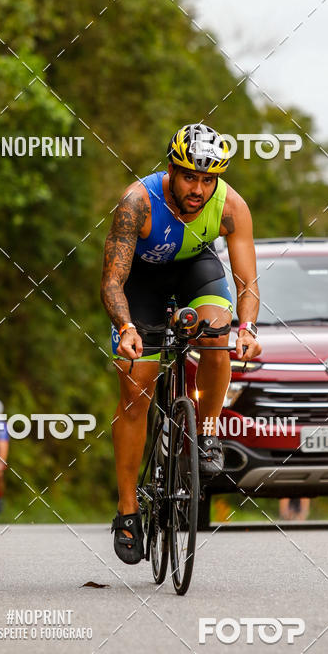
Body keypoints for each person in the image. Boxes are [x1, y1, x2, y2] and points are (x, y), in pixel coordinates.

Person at [100, 123, 262, 563]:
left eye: (208, 179)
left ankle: (207, 431)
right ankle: (128, 509)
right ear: (171, 169)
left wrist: (247, 329)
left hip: (195, 271)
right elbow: (113, 281)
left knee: (217, 331)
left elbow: (247, 283)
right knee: (135, 389)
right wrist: (128, 327)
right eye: (190, 176)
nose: (199, 188)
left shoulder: (231, 206)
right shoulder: (137, 203)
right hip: (142, 286)